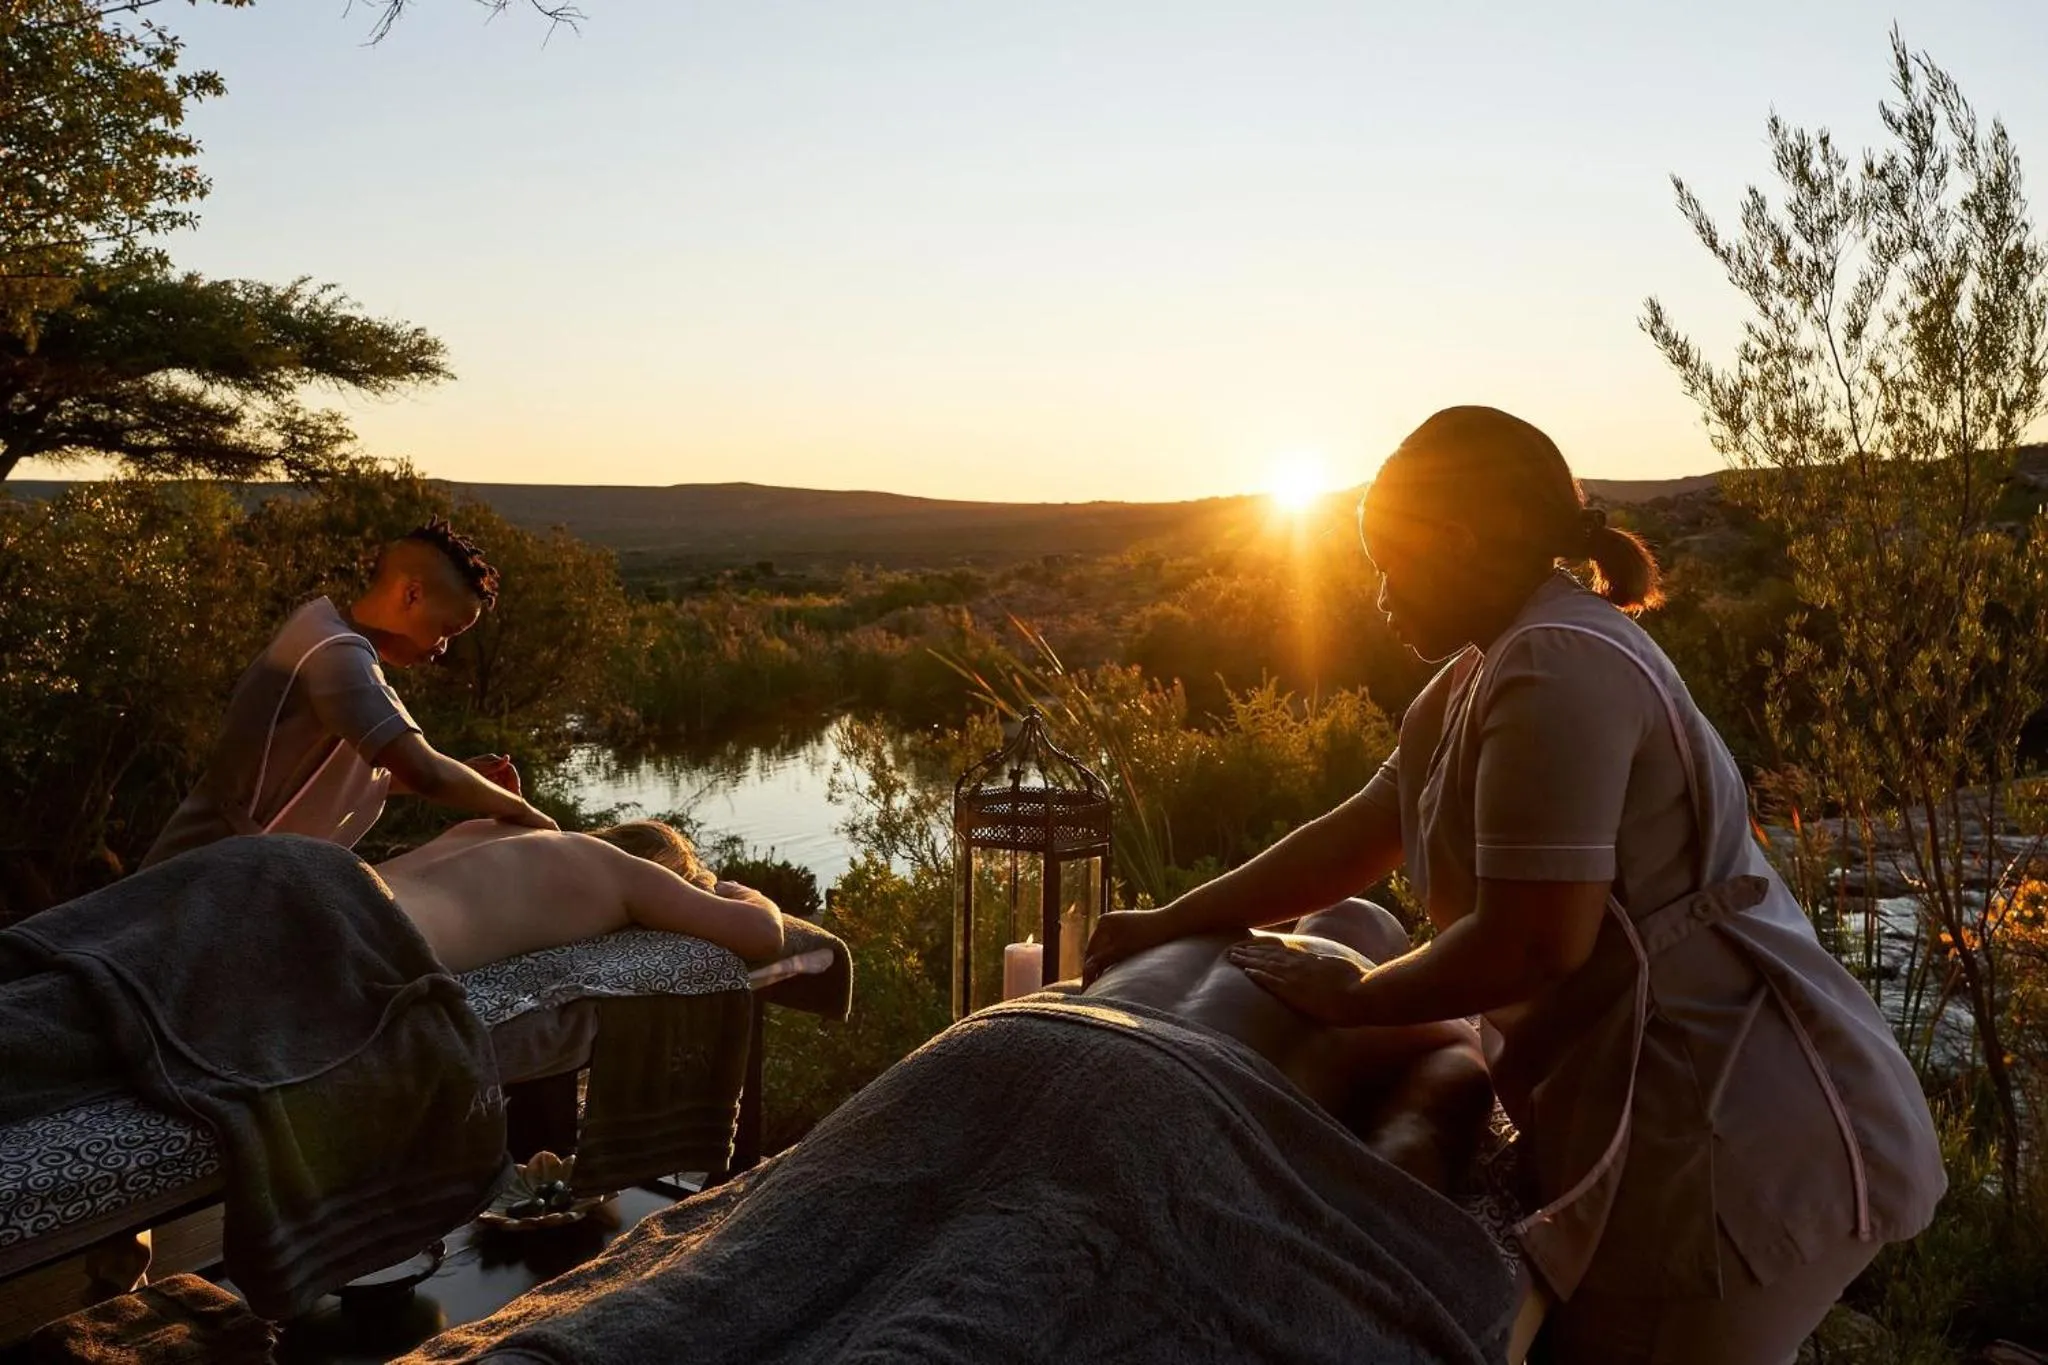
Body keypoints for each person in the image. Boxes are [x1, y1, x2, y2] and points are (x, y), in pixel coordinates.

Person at [1085, 406, 1946, 1365]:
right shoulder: (1481, 669)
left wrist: (1363, 998)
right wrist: (1177, 914)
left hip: (1728, 1136)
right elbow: (1364, 829)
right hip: (1672, 1118)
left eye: (1388, 561)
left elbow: (1537, 939)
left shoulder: (1558, 662)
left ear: (1456, 540)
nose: (1376, 593)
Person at [143, 519, 557, 868]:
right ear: (412, 594)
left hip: (222, 873)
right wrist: (522, 810)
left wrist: (466, 774)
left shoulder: (322, 631)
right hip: (194, 882)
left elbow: (341, 775)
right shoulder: (335, 655)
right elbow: (425, 771)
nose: (442, 648)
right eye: (447, 630)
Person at [1079, 896, 1493, 1194]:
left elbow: (1058, 998)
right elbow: (1464, 1071)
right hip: (1197, 1104)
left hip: (1063, 1041)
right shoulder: (1375, 998)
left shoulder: (1180, 940)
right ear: (1390, 959)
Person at [374, 818, 785, 971]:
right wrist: (741, 891)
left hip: (332, 875)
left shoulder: (490, 827)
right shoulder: (624, 872)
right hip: (378, 937)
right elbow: (763, 934)